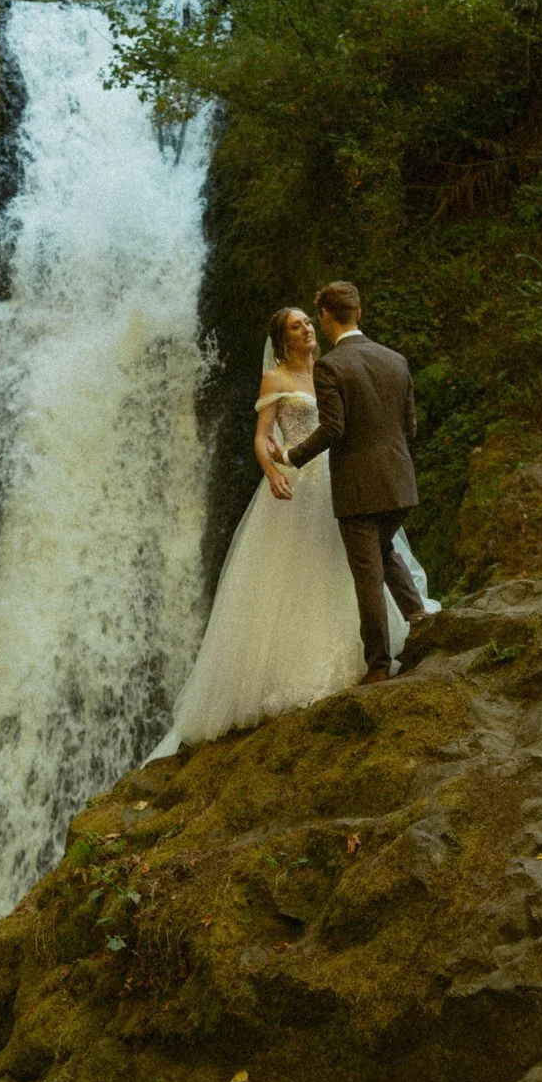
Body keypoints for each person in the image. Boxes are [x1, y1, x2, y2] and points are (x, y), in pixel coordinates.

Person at [149, 303, 433, 756]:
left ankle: (390, 640)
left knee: (357, 559)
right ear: (282, 340)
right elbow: (263, 435)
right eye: (295, 326)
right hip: (298, 482)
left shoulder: (330, 368)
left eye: (307, 322)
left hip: (342, 477)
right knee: (302, 568)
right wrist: (270, 469)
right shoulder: (276, 379)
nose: (305, 330)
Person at [275, 280, 427, 685]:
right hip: (400, 484)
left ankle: (378, 666)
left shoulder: (331, 366)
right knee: (385, 550)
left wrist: (291, 456)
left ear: (325, 318)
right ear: (359, 312)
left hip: (359, 490)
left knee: (367, 575)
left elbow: (334, 429)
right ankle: (423, 623)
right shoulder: (396, 360)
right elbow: (409, 427)